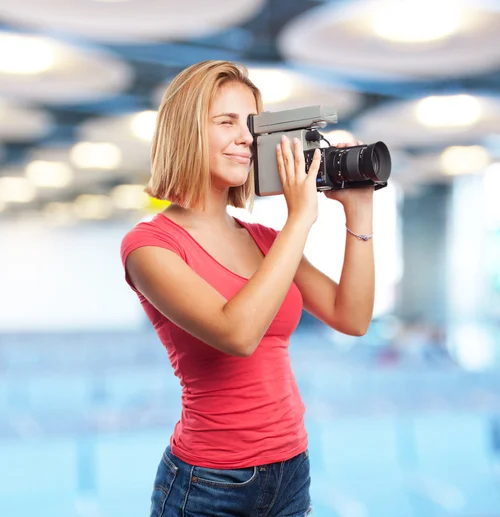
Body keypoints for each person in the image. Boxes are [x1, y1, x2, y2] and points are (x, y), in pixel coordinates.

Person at [120, 60, 375, 517]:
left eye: (253, 125)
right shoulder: (149, 246)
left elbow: (351, 318)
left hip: (291, 467)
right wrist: (300, 217)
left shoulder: (262, 239)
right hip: (210, 483)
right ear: (186, 132)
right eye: (226, 121)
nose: (246, 138)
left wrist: (359, 210)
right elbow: (238, 334)